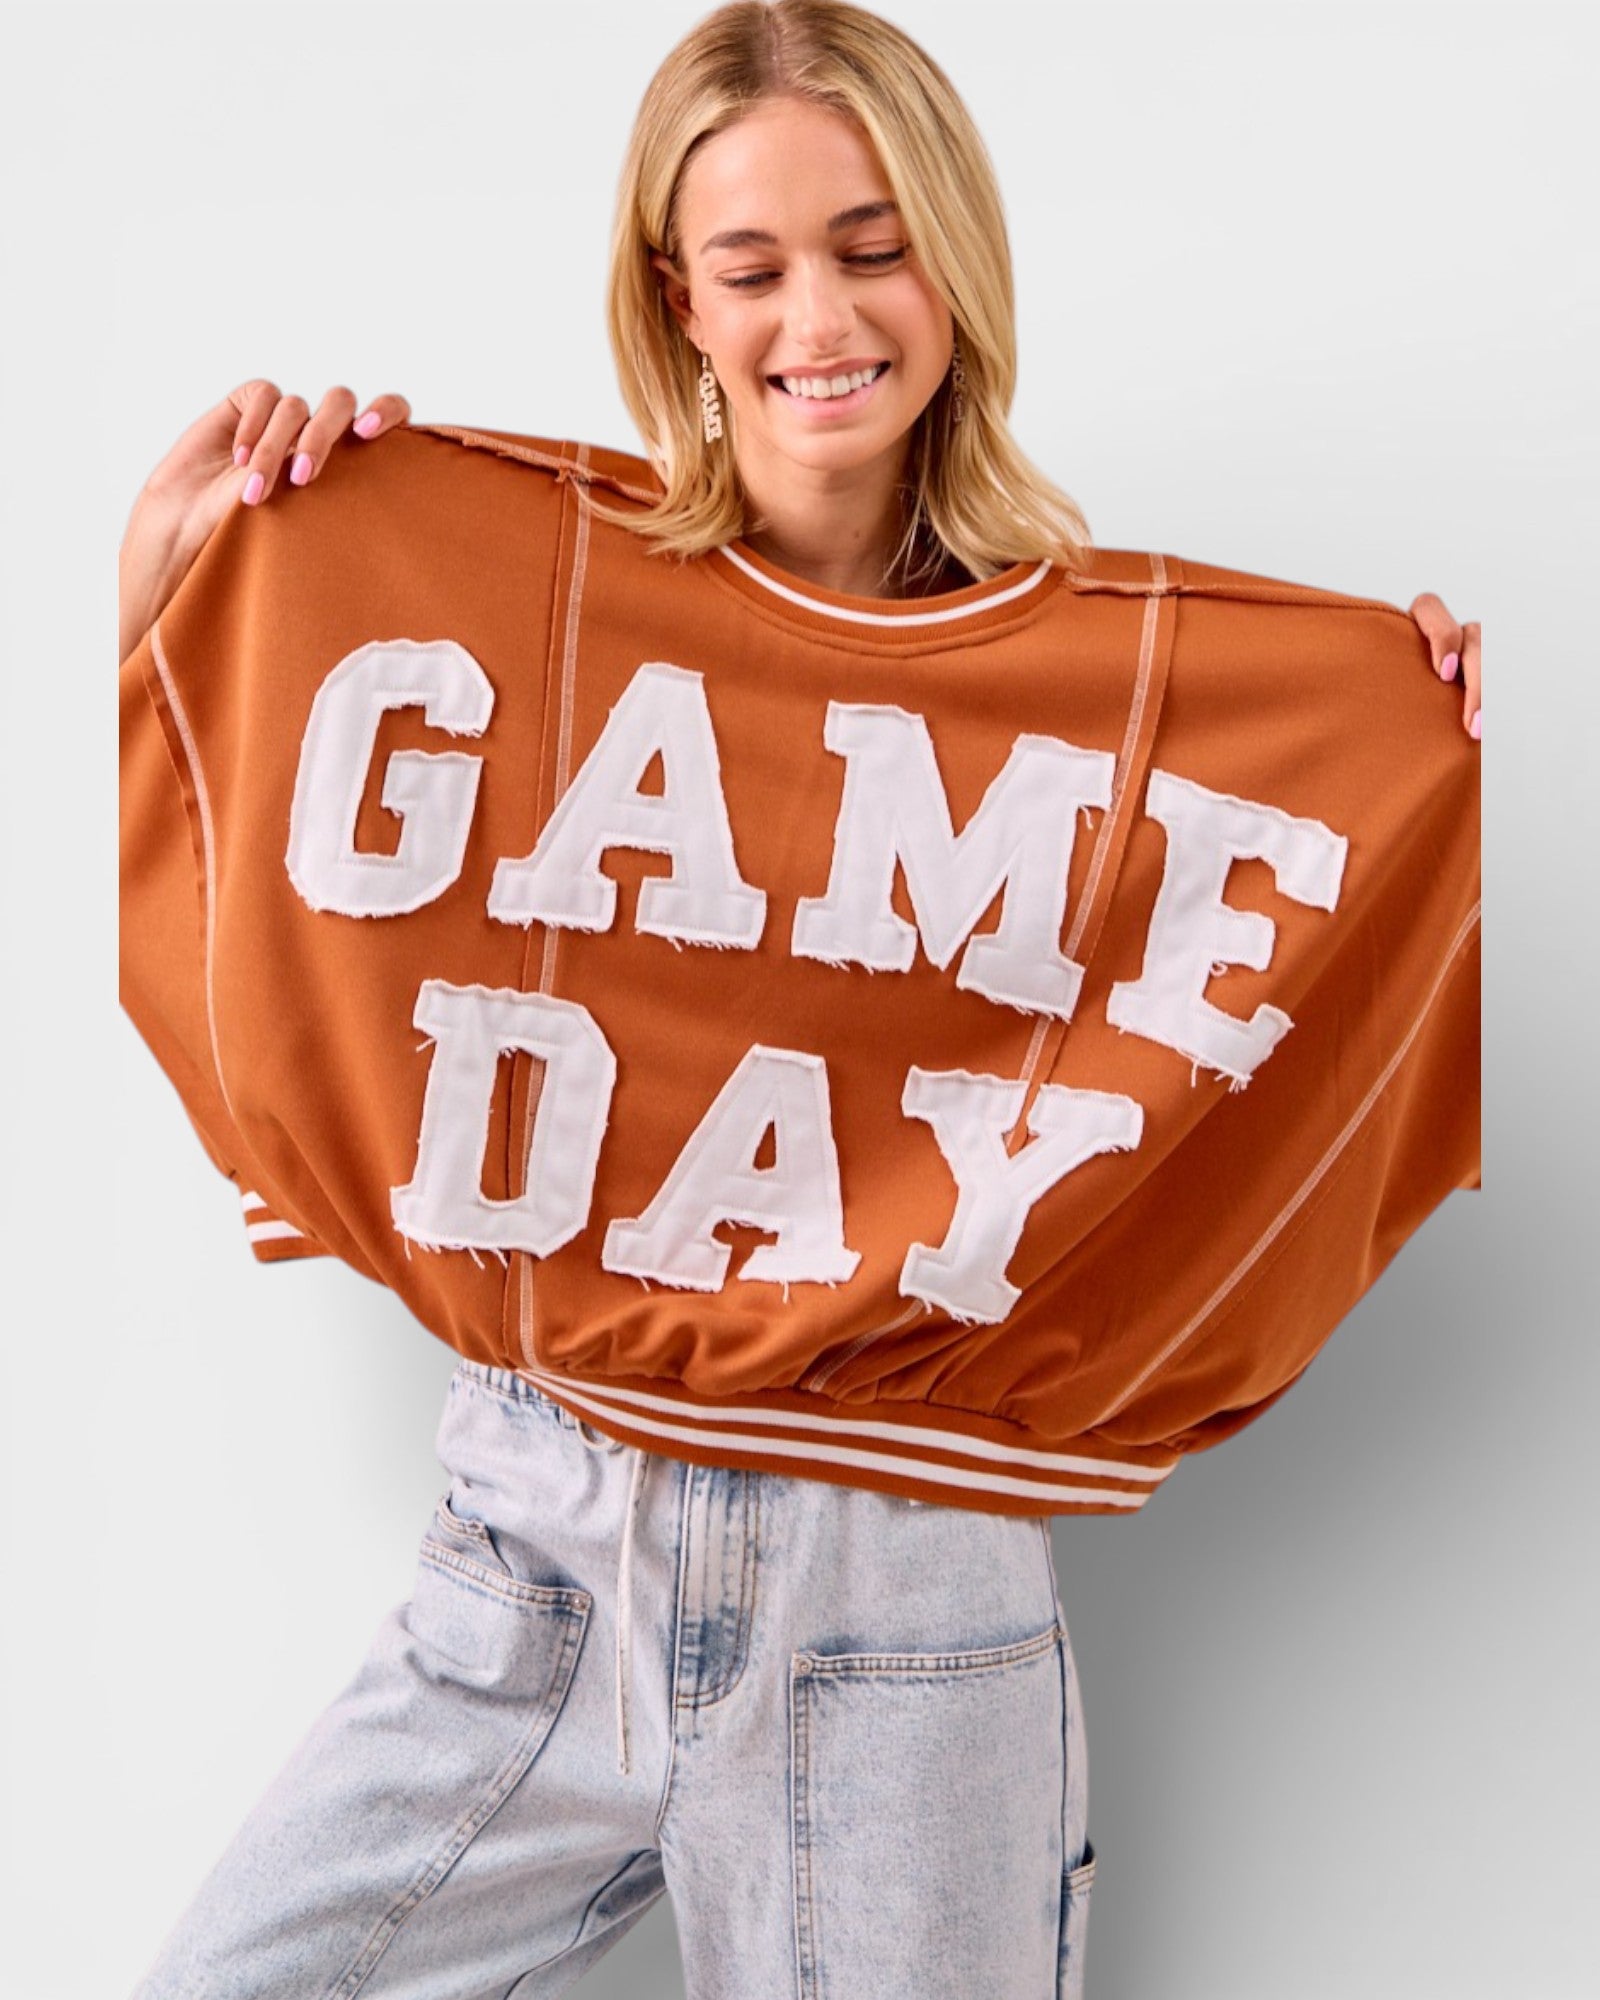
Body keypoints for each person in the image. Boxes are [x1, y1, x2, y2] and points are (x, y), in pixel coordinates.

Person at [117, 4, 1481, 1996]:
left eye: (868, 244)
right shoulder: (520, 599)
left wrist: (1394, 747)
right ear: (674, 303)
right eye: (749, 267)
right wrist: (185, 587)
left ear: (952, 261)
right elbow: (277, 893)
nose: (814, 316)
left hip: (904, 1596)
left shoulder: (1131, 708)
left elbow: (1314, 1052)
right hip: (530, 1556)